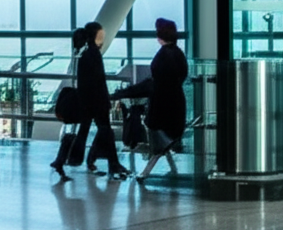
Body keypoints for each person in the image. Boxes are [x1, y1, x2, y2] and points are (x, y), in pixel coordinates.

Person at [111, 17, 188, 181]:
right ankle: (159, 169)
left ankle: (146, 171)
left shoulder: (163, 57)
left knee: (158, 141)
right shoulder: (179, 55)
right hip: (175, 104)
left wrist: (124, 93)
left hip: (161, 106)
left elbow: (153, 84)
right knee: (165, 140)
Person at [54, 22, 129, 181]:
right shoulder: (93, 54)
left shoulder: (85, 54)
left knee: (87, 133)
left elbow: (88, 82)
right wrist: (105, 101)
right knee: (103, 132)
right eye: (101, 36)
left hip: (88, 102)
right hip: (96, 103)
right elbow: (98, 82)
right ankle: (109, 163)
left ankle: (66, 160)